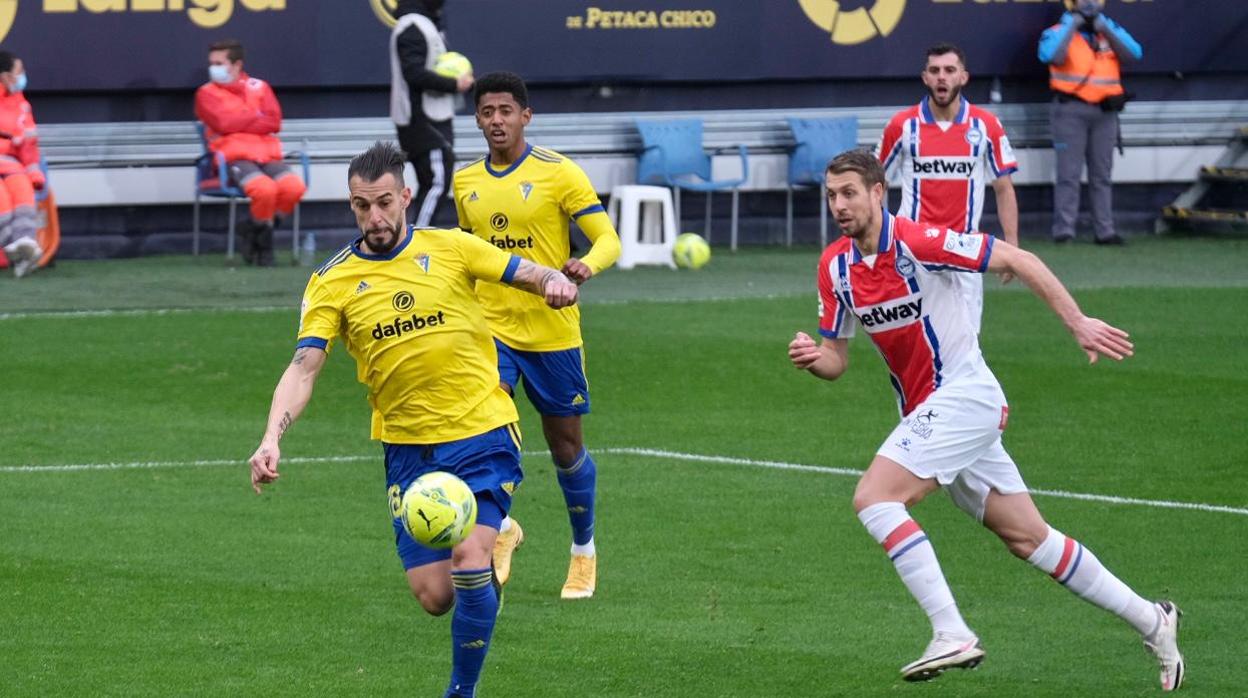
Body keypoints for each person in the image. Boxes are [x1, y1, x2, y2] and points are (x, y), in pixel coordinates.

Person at [788, 149, 1183, 690]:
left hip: (964, 398)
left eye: (849, 192)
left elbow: (1019, 261)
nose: (839, 204)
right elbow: (837, 358)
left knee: (875, 498)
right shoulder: (835, 266)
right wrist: (815, 358)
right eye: (831, 195)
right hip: (933, 413)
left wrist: (1078, 322)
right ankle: (1153, 620)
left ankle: (951, 632)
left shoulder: (919, 242)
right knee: (1028, 538)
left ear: (879, 192)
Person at [248, 141, 579, 698]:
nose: (374, 217)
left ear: (405, 196)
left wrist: (554, 282)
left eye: (383, 203)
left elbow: (527, 271)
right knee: (434, 597)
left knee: (468, 560)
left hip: (482, 431)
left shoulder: (451, 247)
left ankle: (461, 691)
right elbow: (304, 368)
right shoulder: (332, 280)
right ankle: (501, 538)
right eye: (360, 206)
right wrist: (271, 439)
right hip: (407, 449)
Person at [453, 71, 621, 600]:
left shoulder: (559, 173)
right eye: (487, 112)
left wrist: (586, 269)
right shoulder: (466, 183)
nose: (497, 120)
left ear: (526, 116)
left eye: (506, 110)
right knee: (486, 429)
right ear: (477, 119)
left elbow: (608, 238)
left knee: (565, 447)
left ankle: (583, 553)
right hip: (490, 330)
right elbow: (470, 256)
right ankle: (501, 529)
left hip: (551, 332)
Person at [877, 42, 1020, 333]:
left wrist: (1012, 248)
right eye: (935, 70)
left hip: (963, 250)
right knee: (913, 344)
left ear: (963, 77)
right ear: (925, 77)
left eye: (949, 70)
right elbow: (875, 185)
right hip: (912, 251)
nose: (942, 76)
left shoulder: (986, 126)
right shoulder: (902, 126)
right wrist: (879, 243)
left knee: (966, 344)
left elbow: (1004, 188)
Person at [194, 39, 306, 266]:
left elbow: (274, 122)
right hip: (233, 156)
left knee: (294, 188)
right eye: (211, 62)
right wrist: (255, 117)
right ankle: (265, 250)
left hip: (268, 154)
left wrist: (239, 121)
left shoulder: (260, 87)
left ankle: (252, 230)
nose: (212, 67)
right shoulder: (205, 93)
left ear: (237, 65)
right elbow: (224, 124)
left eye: (219, 62)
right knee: (264, 189)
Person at [1039, 0, 1142, 245]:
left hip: (1105, 112)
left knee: (1102, 175)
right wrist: (1072, 24)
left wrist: (1104, 28)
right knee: (1068, 175)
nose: (1090, 4)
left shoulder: (1108, 29)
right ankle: (1064, 230)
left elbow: (1134, 53)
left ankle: (1104, 231)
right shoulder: (1056, 31)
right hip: (1070, 110)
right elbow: (1050, 55)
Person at [390, 0, 473, 228]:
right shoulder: (412, 26)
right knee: (436, 181)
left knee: (433, 182)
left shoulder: (424, 23)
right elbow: (414, 73)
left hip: (431, 119)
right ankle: (415, 239)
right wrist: (454, 83)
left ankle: (409, 238)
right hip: (421, 120)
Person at [0, 51, 45, 279]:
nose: (23, 76)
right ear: (6, 77)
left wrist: (34, 172)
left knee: (23, 191)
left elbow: (28, 145)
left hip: (11, 165)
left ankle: (25, 243)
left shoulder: (21, 105)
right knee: (2, 201)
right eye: (19, 72)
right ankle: (17, 250)